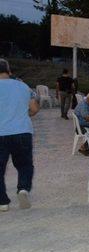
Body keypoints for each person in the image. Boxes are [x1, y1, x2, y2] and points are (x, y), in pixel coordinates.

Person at [0, 58, 39, 211]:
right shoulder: (23, 86)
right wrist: (23, 114)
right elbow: (34, 109)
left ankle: (2, 202)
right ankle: (23, 189)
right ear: (9, 71)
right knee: (24, 164)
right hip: (22, 131)